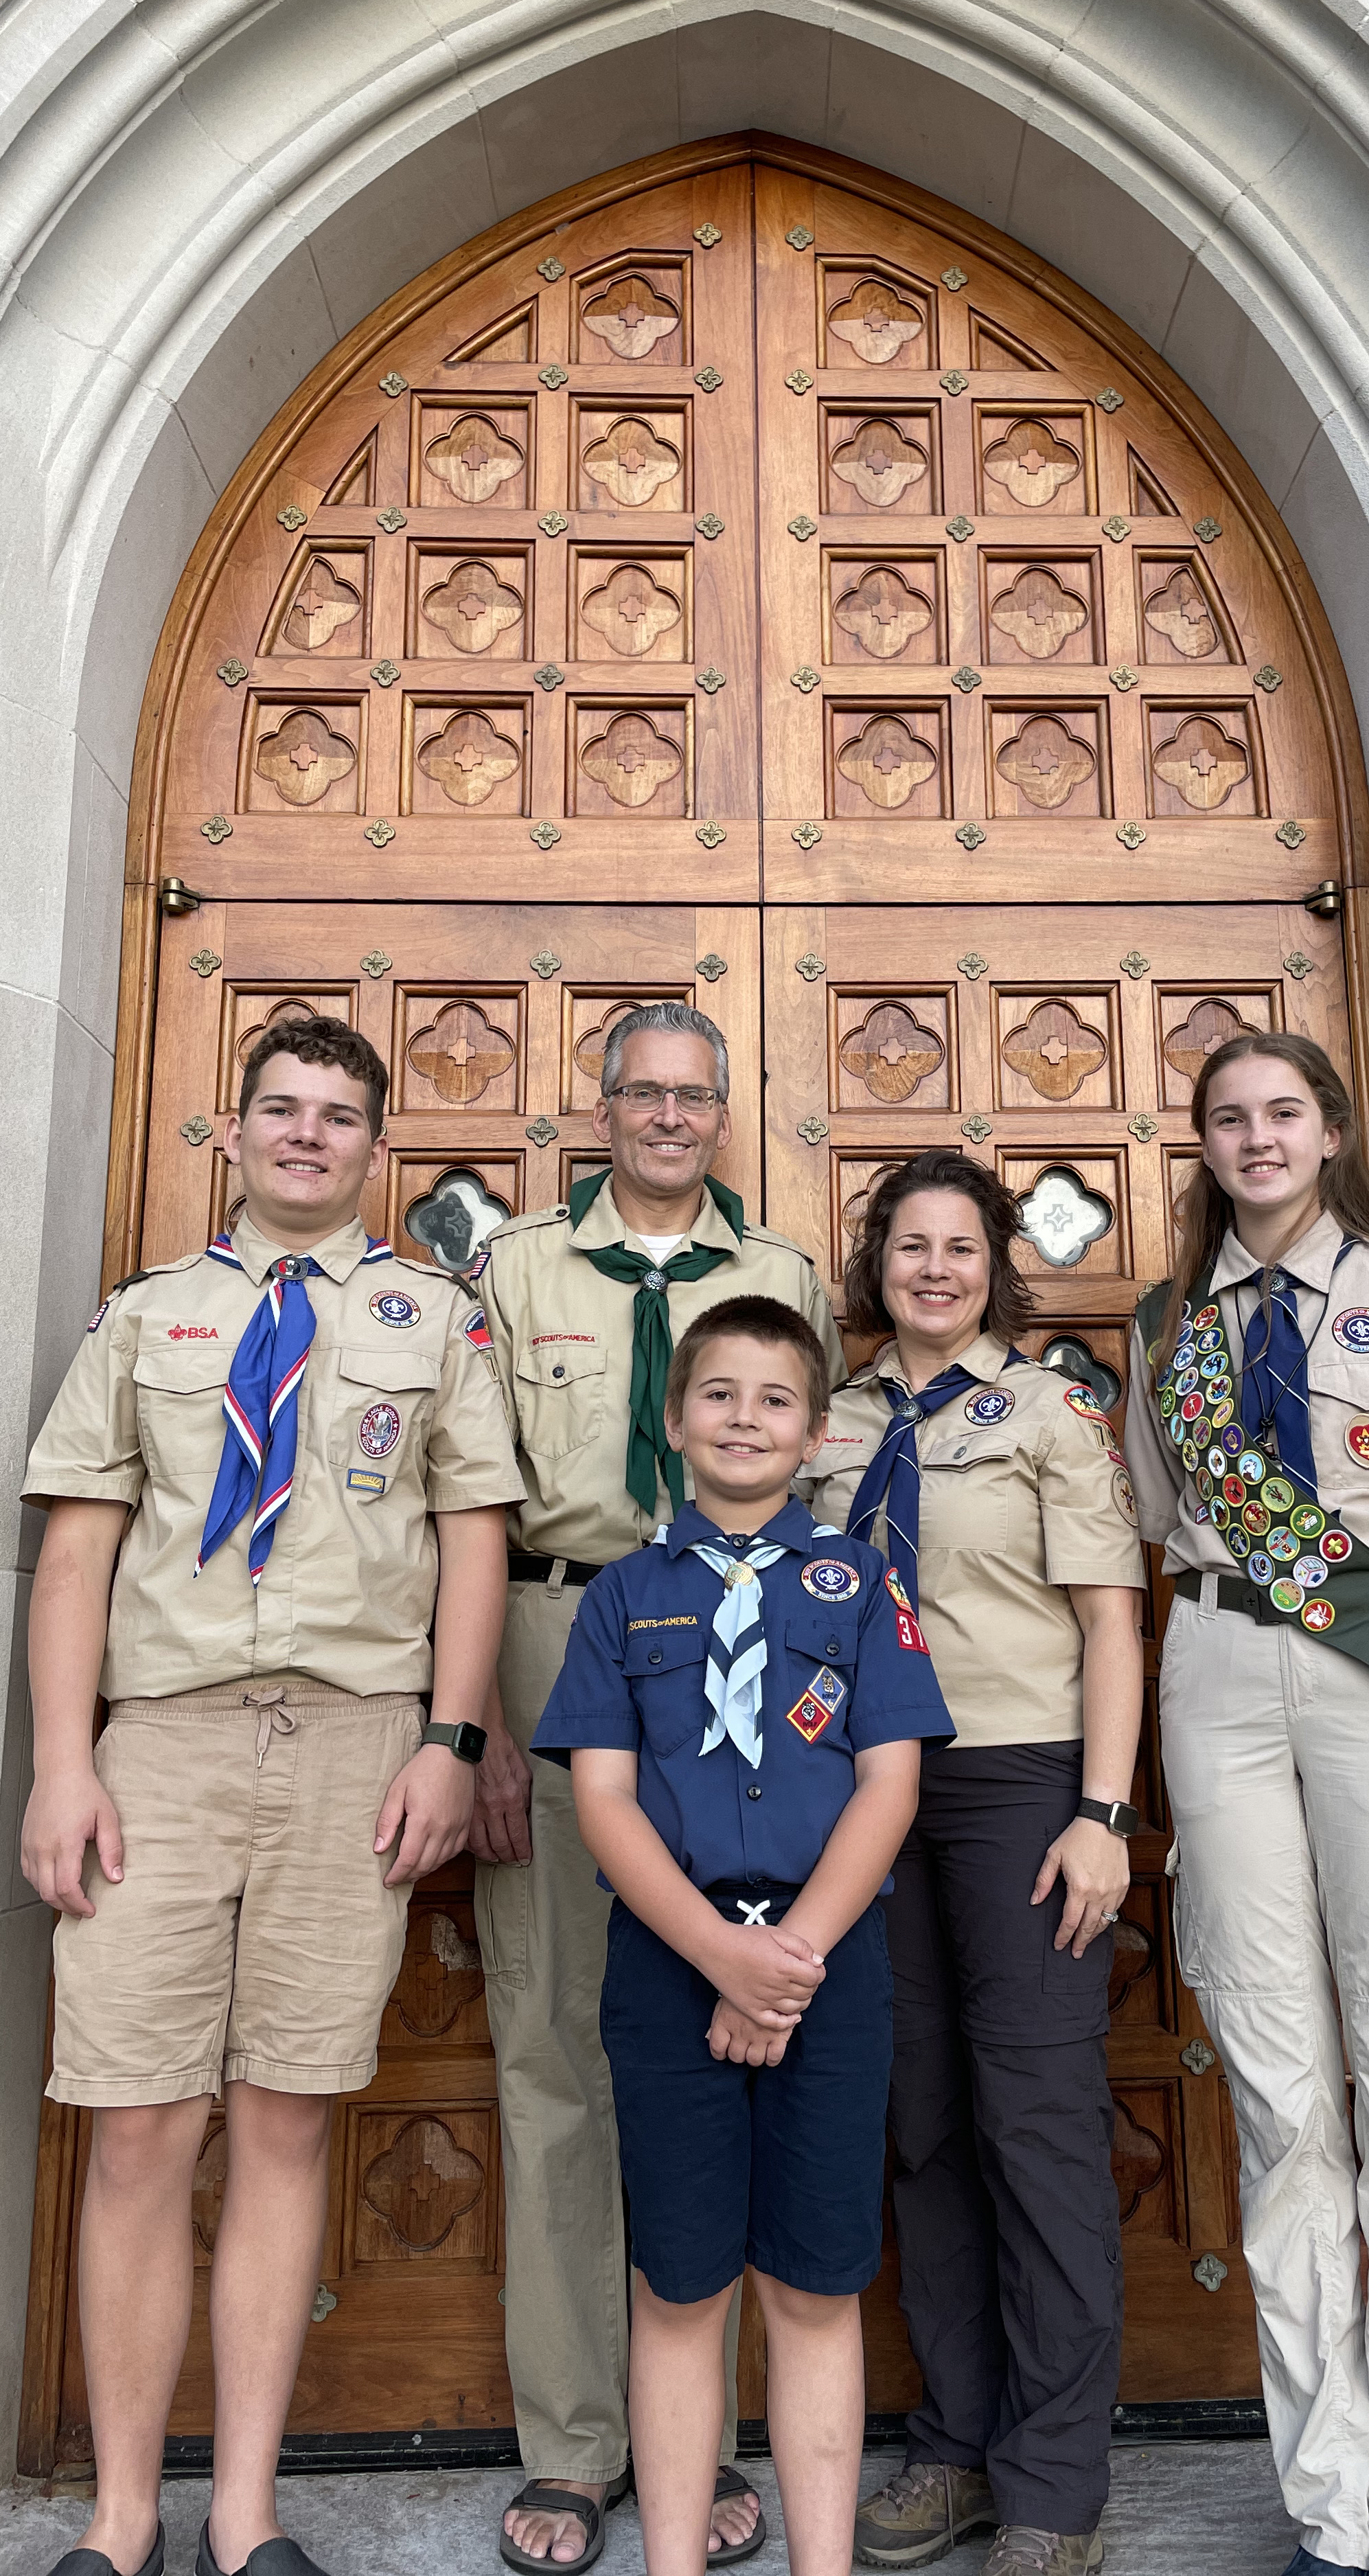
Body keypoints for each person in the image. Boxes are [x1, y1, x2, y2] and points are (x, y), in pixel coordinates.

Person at [18, 1014, 518, 2576]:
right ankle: (118, 2521)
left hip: (356, 1741)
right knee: (140, 2130)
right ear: (231, 1134)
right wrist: (60, 1762)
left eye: (339, 1117)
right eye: (282, 1110)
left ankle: (244, 2517)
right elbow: (82, 1546)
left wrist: (450, 1739)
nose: (308, 1135)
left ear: (376, 1150)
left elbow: (475, 1536)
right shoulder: (146, 1318)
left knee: (290, 2120)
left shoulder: (434, 1316)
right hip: (156, 1745)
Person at [1120, 1031, 1369, 2576]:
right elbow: (1164, 1524)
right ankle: (1328, 2511)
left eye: (1284, 1111)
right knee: (1284, 2114)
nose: (1258, 1137)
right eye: (1229, 1117)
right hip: (1218, 1670)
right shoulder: (1169, 1325)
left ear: (1332, 1130)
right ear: (1205, 1145)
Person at [471, 1002, 847, 2571]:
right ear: (601, 1105)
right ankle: (576, 2446)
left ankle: (718, 2447)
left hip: (739, 1667)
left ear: (723, 1114)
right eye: (646, 1094)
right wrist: (478, 1725)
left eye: (699, 1097)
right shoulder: (517, 1272)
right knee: (559, 2047)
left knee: (735, 2040)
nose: (673, 1119)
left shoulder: (786, 1279)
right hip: (562, 1638)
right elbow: (472, 1502)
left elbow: (815, 1513)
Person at [533, 1295, 956, 2576]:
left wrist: (786, 1965)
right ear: (674, 1422)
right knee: (680, 2287)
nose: (745, 1420)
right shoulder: (621, 1597)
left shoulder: (861, 1585)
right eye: (718, 1395)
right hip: (670, 1970)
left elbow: (891, 1783)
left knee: (817, 2289)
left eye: (777, 1400)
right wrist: (722, 1959)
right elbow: (602, 1796)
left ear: (818, 1433)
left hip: (830, 1968)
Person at [801, 1150, 1148, 2576]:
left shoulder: (1053, 1412)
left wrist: (1105, 1815)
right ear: (875, 1264)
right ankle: (955, 2445)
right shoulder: (826, 1419)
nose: (933, 1270)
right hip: (865, 1788)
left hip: (1018, 1785)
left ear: (996, 1266)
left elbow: (1113, 1624)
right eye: (907, 1247)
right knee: (923, 2121)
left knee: (1039, 2123)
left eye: (959, 1248)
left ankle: (1057, 2482)